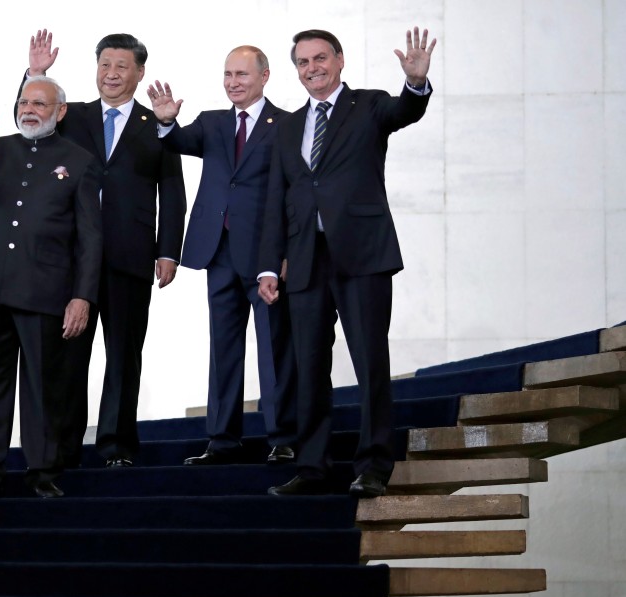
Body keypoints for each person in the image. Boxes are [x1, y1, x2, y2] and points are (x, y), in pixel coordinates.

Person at [257, 27, 437, 498]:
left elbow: (406, 111)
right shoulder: (289, 127)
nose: (312, 68)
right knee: (308, 366)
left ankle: (375, 465)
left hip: (362, 254)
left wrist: (415, 83)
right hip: (305, 260)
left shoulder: (370, 106)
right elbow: (278, 197)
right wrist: (268, 266)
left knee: (369, 362)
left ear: (339, 61)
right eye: (303, 62)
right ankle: (313, 465)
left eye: (320, 58)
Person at [23, 29, 186, 468]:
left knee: (123, 355)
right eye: (104, 65)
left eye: (120, 66)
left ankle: (115, 446)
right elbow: (28, 123)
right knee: (68, 357)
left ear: (139, 71)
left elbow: (172, 190)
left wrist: (169, 251)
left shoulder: (158, 123)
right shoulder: (69, 115)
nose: (110, 74)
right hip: (72, 260)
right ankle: (62, 449)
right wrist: (36, 73)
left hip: (130, 256)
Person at [146, 47, 297, 466]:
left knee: (274, 348)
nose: (233, 82)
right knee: (223, 348)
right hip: (219, 253)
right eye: (228, 74)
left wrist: (283, 253)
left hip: (265, 255)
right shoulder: (212, 123)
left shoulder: (285, 124)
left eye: (242, 74)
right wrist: (165, 121)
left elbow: (291, 194)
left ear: (264, 76)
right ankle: (222, 440)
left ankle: (282, 437)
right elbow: (178, 140)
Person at [0, 76, 103, 499]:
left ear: (59, 111)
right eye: (24, 101)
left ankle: (43, 472)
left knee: (44, 386)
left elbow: (90, 237)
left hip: (46, 292)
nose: (30, 109)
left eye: (40, 103)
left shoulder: (79, 160)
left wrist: (83, 296)